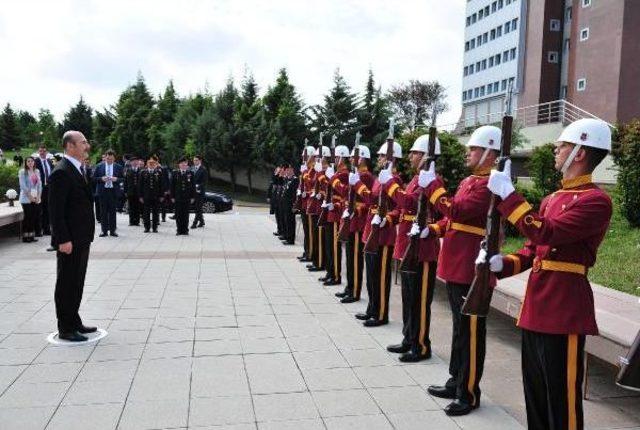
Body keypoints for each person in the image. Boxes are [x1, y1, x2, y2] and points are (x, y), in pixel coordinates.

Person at [480, 118, 613, 430]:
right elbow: (531, 249)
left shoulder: (596, 201)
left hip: (564, 309)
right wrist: (502, 263)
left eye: (562, 144)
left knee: (562, 400)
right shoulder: (552, 199)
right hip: (537, 307)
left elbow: (546, 233)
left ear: (580, 152)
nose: (556, 149)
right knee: (536, 395)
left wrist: (510, 195)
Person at [418, 125, 501, 416]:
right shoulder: (471, 180)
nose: (468, 153)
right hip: (456, 263)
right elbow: (454, 219)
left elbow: (459, 211)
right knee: (459, 329)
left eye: (474, 149)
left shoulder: (492, 183)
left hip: (471, 267)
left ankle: (469, 392)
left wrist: (432, 187)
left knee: (470, 332)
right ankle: (456, 380)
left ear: (490, 152)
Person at [380, 134, 442, 363]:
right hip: (408, 245)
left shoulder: (434, 181)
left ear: (426, 155)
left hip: (423, 251)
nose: (411, 156)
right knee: (408, 297)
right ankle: (409, 338)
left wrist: (390, 184)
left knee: (420, 300)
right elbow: (405, 208)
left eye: (415, 152)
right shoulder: (417, 179)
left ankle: (421, 345)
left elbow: (410, 203)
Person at [49, 130, 96, 342]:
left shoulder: (78, 169)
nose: (87, 146)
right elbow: (56, 211)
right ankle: (65, 328)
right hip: (70, 240)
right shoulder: (62, 171)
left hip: (82, 237)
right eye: (83, 142)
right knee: (67, 282)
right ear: (70, 146)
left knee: (77, 281)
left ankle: (74, 320)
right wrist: (63, 239)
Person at [351, 141, 402, 327]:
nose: (379, 158)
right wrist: (358, 186)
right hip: (371, 230)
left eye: (382, 156)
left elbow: (399, 208)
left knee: (381, 277)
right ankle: (372, 309)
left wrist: (387, 218)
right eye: (379, 156)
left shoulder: (394, 180)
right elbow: (372, 200)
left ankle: (381, 314)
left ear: (392, 158)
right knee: (372, 274)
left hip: (384, 234)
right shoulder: (381, 179)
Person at [333, 145, 373, 303]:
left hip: (358, 222)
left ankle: (355, 291)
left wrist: (356, 210)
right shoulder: (355, 175)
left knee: (356, 258)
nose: (350, 159)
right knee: (349, 257)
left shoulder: (366, 177)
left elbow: (370, 202)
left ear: (361, 158)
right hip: (350, 220)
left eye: (353, 157)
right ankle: (349, 287)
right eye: (349, 157)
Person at [321, 145, 351, 286]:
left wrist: (333, 178)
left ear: (342, 158)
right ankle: (330, 272)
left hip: (337, 213)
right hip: (331, 212)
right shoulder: (337, 173)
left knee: (334, 247)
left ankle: (336, 275)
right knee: (329, 246)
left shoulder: (344, 174)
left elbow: (344, 193)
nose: (335, 159)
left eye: (337, 157)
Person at [306, 147, 331, 273]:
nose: (315, 159)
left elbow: (328, 188)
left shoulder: (328, 171)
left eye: (318, 157)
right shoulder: (318, 171)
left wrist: (320, 192)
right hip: (316, 206)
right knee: (317, 236)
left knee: (322, 238)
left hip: (323, 208)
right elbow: (311, 184)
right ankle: (317, 260)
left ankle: (321, 262)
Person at [93, 150, 123, 237]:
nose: (109, 160)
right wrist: (101, 179)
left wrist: (116, 179)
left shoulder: (118, 167)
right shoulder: (99, 166)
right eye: (108, 159)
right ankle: (104, 231)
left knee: (113, 212)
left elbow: (123, 179)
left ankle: (113, 231)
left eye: (111, 159)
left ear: (114, 158)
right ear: (105, 157)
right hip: (103, 191)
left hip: (113, 191)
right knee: (103, 212)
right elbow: (94, 178)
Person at [296, 146, 316, 262]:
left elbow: (312, 186)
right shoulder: (306, 169)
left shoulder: (313, 170)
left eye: (306, 156)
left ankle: (310, 253)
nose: (304, 159)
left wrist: (305, 173)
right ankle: (306, 251)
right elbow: (302, 184)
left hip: (310, 203)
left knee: (310, 231)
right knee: (306, 230)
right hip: (304, 203)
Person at [18, 157, 42, 243]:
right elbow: (23, 186)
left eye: (32, 161)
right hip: (26, 198)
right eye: (28, 161)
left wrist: (39, 196)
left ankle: (31, 236)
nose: (30, 163)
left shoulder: (37, 171)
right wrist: (30, 197)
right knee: (27, 217)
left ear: (34, 162)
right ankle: (25, 236)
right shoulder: (22, 172)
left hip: (35, 197)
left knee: (33, 217)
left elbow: (39, 185)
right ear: (25, 163)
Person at [138, 156, 165, 233]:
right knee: (146, 212)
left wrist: (162, 195)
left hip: (156, 196)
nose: (151, 165)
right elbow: (140, 185)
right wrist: (140, 196)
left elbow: (161, 185)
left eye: (153, 163)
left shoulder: (158, 172)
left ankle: (155, 227)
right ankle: (147, 227)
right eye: (150, 163)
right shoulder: (143, 172)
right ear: (147, 164)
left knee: (155, 212)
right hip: (146, 196)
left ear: (155, 164)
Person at [171, 157, 195, 235]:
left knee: (186, 214)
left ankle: (185, 230)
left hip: (187, 197)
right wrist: (172, 197)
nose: (183, 164)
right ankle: (179, 230)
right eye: (182, 163)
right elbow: (172, 186)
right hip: (178, 197)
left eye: (185, 163)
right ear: (179, 165)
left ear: (187, 164)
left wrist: (192, 197)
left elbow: (193, 186)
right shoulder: (175, 173)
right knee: (178, 214)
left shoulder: (190, 173)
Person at [34, 145, 54, 236]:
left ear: (46, 152)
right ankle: (39, 229)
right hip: (40, 189)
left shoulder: (49, 162)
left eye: (44, 151)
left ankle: (47, 229)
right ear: (39, 152)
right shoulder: (35, 162)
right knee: (39, 209)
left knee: (48, 209)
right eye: (40, 151)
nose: (42, 153)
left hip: (49, 188)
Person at [280, 166, 298, 245]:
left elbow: (294, 193)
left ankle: (291, 239)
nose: (287, 171)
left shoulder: (295, 180)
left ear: (292, 170)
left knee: (290, 221)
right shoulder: (288, 179)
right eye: (287, 170)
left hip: (290, 203)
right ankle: (287, 236)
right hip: (286, 203)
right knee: (286, 220)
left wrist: (294, 205)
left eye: (289, 169)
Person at [124, 156, 142, 226]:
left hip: (138, 192)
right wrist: (125, 191)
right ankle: (131, 221)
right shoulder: (128, 170)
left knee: (137, 207)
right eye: (133, 161)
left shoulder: (141, 170)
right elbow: (125, 182)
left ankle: (137, 221)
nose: (135, 162)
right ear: (131, 163)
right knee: (131, 207)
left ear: (138, 162)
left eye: (136, 161)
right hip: (130, 191)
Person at [191, 155, 208, 228]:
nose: (195, 161)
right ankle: (202, 221)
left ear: (200, 161)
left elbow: (204, 182)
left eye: (196, 160)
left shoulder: (203, 169)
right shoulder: (192, 168)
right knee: (197, 207)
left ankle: (194, 223)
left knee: (198, 207)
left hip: (200, 192)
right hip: (192, 191)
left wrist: (197, 186)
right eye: (194, 160)